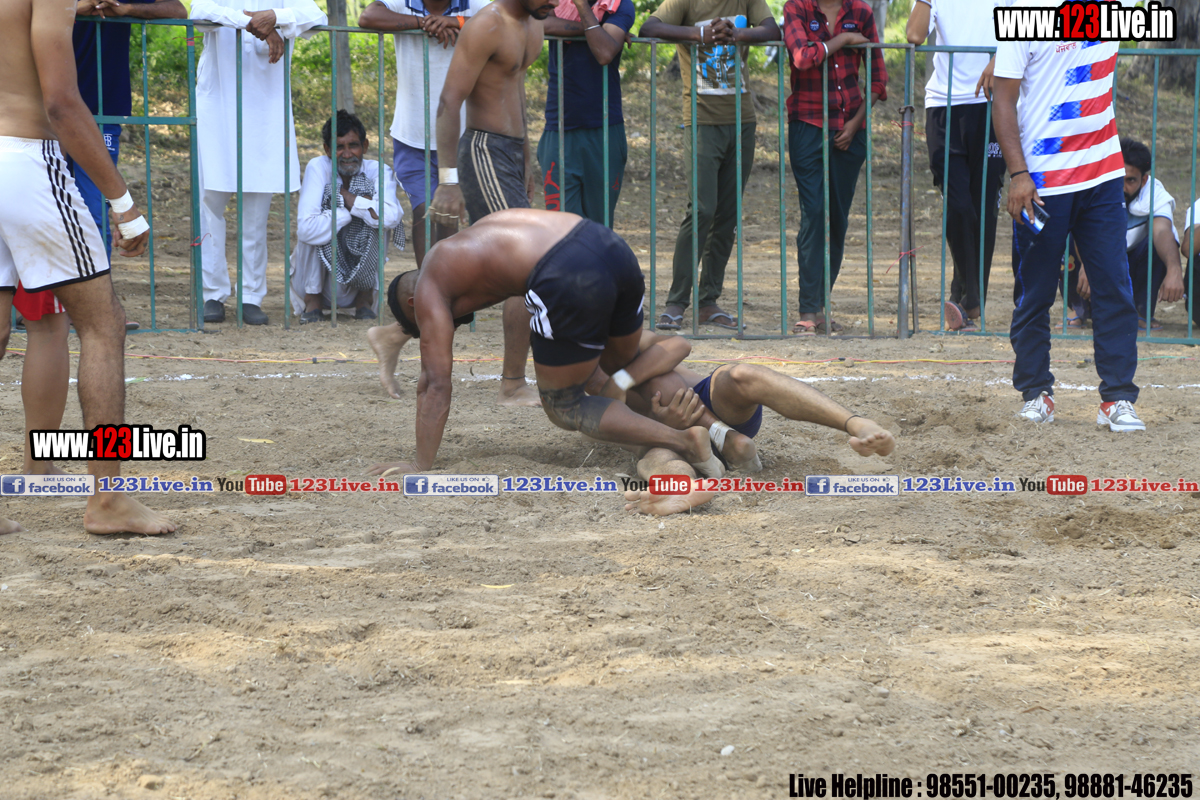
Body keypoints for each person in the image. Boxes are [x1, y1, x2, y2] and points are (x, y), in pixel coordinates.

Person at [366, 209, 725, 479]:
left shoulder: (428, 284)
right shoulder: (474, 242)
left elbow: (434, 383)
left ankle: (683, 440)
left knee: (564, 404)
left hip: (564, 270)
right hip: (611, 247)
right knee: (618, 367)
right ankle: (723, 434)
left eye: (421, 326)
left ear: (413, 303)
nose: (432, 330)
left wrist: (420, 463)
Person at [0, 0, 175, 534]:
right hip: (26, 161)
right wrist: (123, 203)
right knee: (103, 324)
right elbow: (61, 102)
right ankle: (108, 500)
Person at [994, 35, 1144, 431]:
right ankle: (1036, 393)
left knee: (1114, 287)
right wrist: (1018, 174)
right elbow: (1003, 100)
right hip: (1043, 181)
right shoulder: (1025, 13)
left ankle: (1118, 398)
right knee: (1035, 292)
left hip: (1103, 177)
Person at [596, 332, 895, 515]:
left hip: (708, 403)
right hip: (662, 435)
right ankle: (680, 487)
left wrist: (622, 379)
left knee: (741, 375)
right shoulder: (583, 367)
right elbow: (609, 423)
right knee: (659, 455)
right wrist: (664, 427)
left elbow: (680, 345)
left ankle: (855, 423)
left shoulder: (624, 337)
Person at [427, 0, 552, 408]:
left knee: (489, 271)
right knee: (527, 265)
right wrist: (449, 181)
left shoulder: (534, 22)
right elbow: (449, 101)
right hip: (483, 151)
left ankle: (395, 334)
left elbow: (515, 90)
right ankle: (512, 384)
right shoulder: (486, 25)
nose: (556, 3)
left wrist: (526, 158)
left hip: (510, 154)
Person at [641, 0, 779, 331]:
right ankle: (677, 302)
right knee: (701, 210)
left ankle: (708, 301)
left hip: (742, 120)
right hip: (701, 119)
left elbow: (773, 30)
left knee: (728, 214)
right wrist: (698, 34)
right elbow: (649, 27)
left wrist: (737, 34)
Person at [190, 0, 326, 326]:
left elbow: (315, 15)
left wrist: (276, 17)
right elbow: (198, 12)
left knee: (256, 210)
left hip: (266, 110)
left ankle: (251, 295)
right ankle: (212, 293)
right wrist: (253, 25)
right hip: (218, 105)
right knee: (209, 203)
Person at [358, 0, 488, 269]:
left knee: (449, 213)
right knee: (423, 211)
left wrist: (457, 22)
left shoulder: (474, 4)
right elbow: (368, 17)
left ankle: (448, 286)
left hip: (459, 137)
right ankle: (427, 284)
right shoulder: (404, 3)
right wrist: (424, 23)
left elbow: (502, 22)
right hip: (412, 135)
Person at [782, 0, 886, 335]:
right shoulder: (797, 8)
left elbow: (879, 79)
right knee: (813, 213)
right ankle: (807, 310)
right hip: (808, 125)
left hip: (849, 130)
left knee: (837, 218)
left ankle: (820, 305)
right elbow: (802, 58)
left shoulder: (861, 12)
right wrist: (843, 40)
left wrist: (856, 124)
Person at [906, 0, 1010, 332]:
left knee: (984, 207)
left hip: (990, 102)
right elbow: (914, 34)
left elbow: (1026, 29)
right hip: (944, 105)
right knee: (958, 204)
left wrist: (1000, 58)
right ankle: (972, 297)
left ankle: (962, 297)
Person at [290, 110, 404, 323]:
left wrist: (345, 197)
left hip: (357, 282)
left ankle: (364, 300)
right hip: (315, 281)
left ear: (365, 146)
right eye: (339, 147)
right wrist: (351, 209)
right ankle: (313, 301)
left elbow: (390, 217)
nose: (347, 154)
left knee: (377, 221)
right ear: (327, 150)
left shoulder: (378, 171)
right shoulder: (318, 167)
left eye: (353, 145)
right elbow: (306, 229)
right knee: (324, 220)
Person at [539, 0, 635, 225]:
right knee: (560, 227)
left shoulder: (621, 5)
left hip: (604, 130)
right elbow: (541, 24)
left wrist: (582, 7)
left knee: (598, 228)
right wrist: (597, 31)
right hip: (559, 127)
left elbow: (605, 52)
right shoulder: (556, 2)